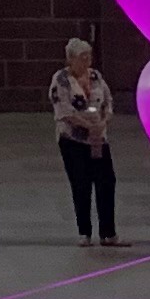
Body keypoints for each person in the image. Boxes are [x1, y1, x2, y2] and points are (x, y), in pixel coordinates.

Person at [50, 36, 121, 245]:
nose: (87, 61)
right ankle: (85, 232)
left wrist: (104, 120)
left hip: (98, 138)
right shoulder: (61, 80)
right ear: (71, 59)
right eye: (82, 57)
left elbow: (107, 101)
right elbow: (63, 110)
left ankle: (108, 232)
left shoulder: (96, 76)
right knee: (81, 183)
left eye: (89, 56)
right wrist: (87, 125)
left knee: (106, 182)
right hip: (73, 139)